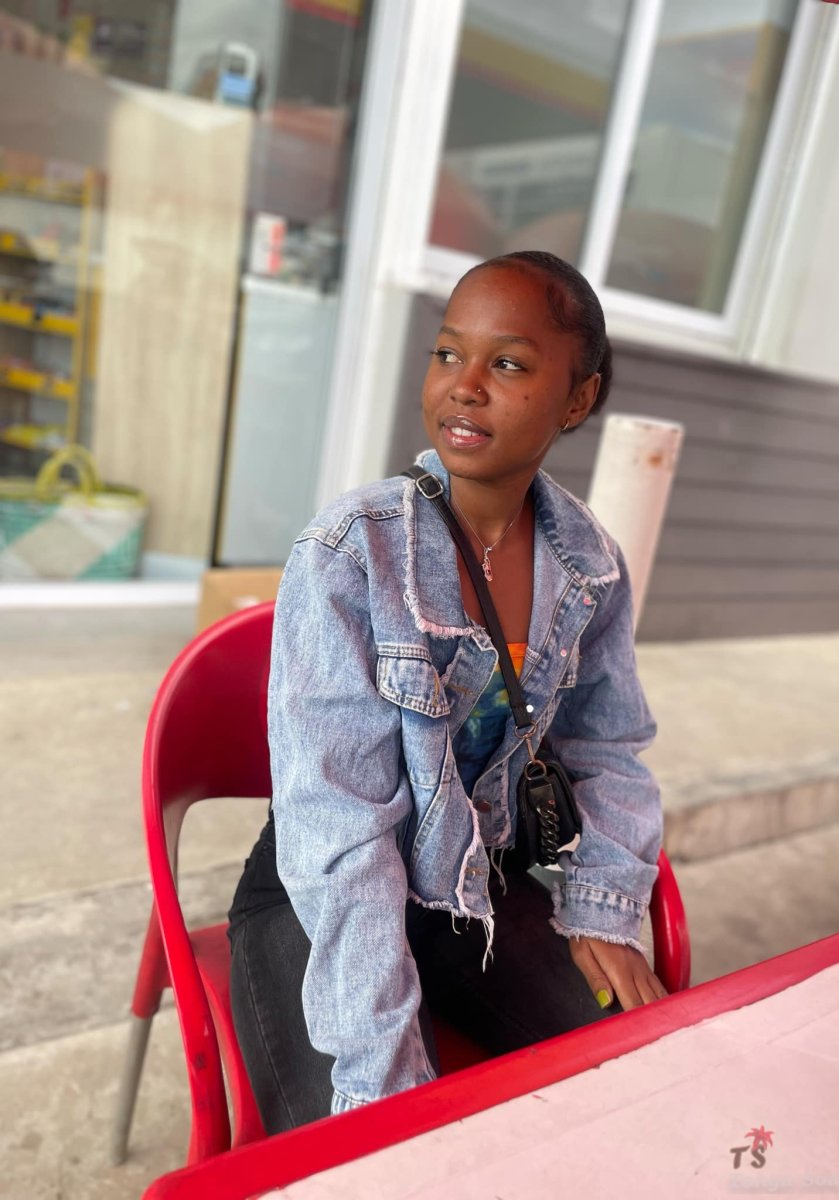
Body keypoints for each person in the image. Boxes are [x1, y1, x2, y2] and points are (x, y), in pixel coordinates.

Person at [228, 250, 666, 1132]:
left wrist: (603, 903)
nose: (464, 386)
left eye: (507, 363)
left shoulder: (589, 565)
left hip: (480, 892)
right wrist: (383, 1068)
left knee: (636, 1085)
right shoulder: (350, 552)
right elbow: (336, 825)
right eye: (447, 353)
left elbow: (607, 747)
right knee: (369, 1152)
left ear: (576, 399)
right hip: (325, 892)